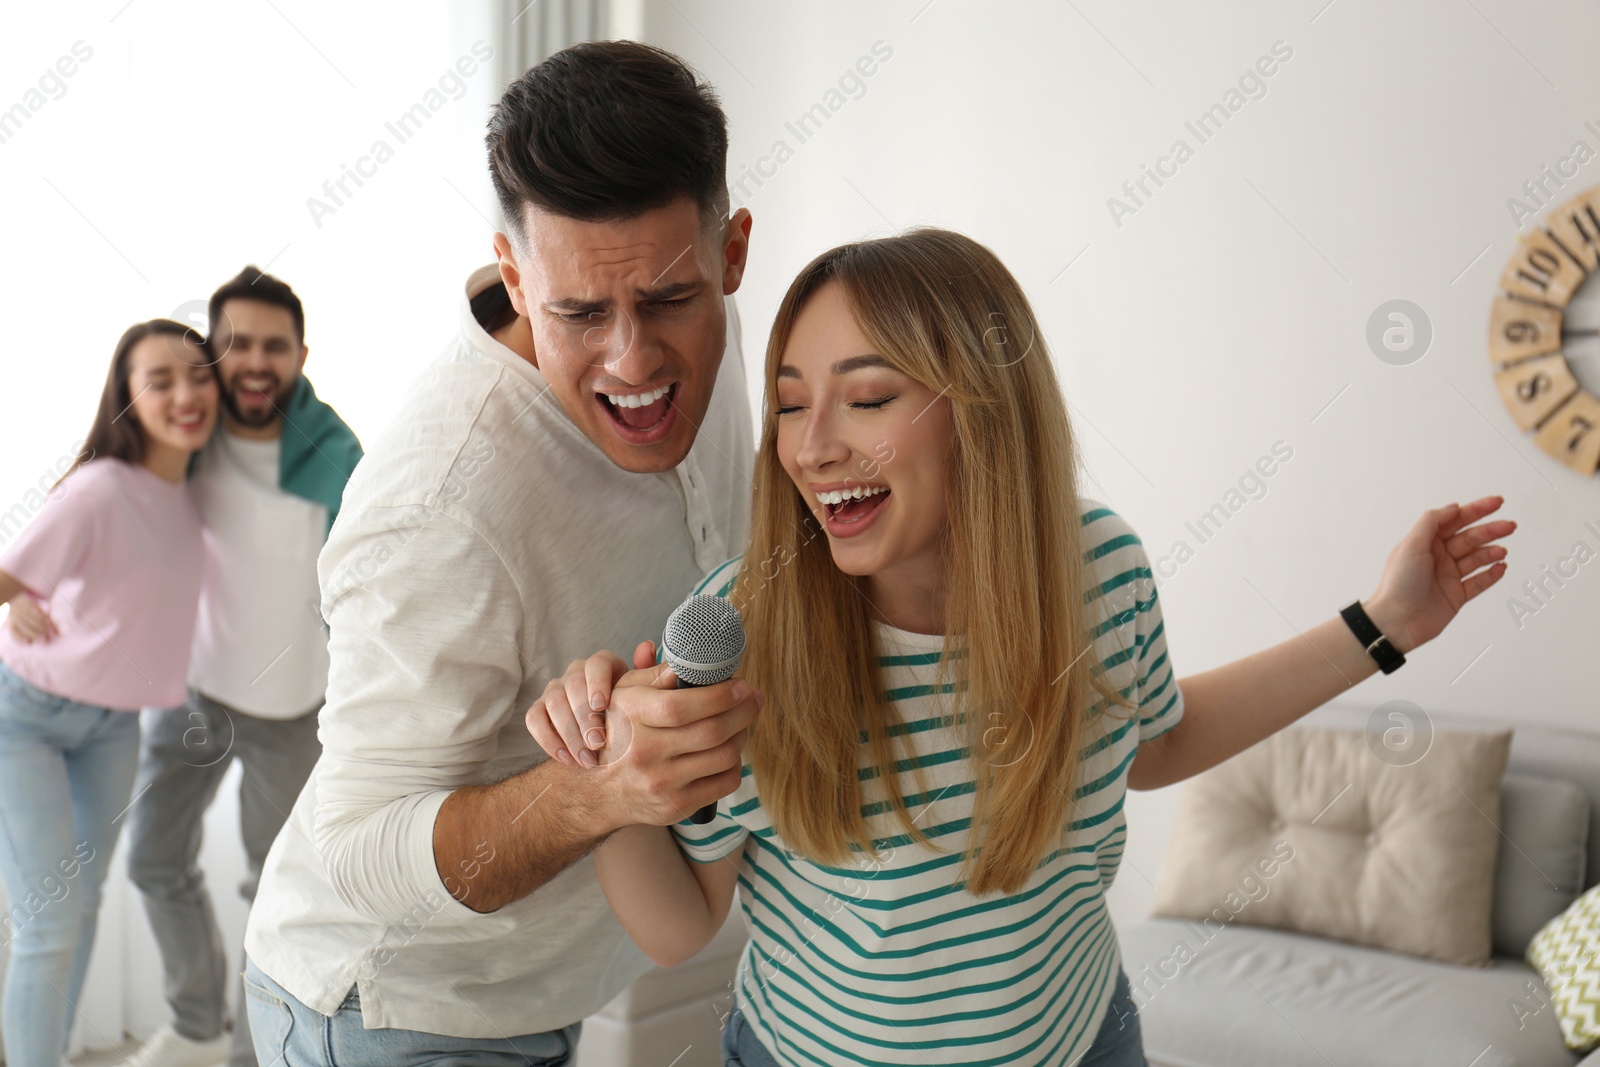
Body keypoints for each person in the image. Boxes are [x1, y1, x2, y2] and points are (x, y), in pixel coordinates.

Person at [528, 228, 1516, 1066]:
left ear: (982, 410)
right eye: (790, 401)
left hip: (1081, 1036)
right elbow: (677, 923)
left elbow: (1149, 740)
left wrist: (1383, 624)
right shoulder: (744, 628)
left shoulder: (1098, 569)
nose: (810, 444)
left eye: (865, 397)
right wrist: (601, 775)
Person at [239, 40, 762, 1066]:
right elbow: (354, 849)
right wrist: (600, 790)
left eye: (667, 301)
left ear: (730, 255)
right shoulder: (435, 508)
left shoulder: (723, 331)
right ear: (516, 278)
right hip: (395, 1013)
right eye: (579, 314)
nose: (634, 362)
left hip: (541, 987)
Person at [0, 320, 217, 1067]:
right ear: (127, 399)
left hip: (114, 725)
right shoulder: (97, 490)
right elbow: (6, 577)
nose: (185, 393)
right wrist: (12, 600)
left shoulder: (205, 493)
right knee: (51, 920)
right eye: (160, 380)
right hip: (22, 715)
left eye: (197, 374)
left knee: (84, 901)